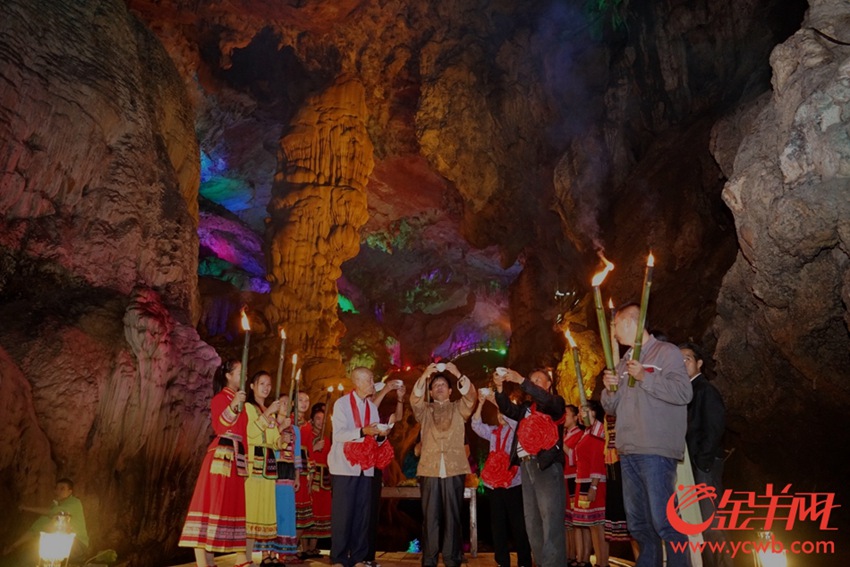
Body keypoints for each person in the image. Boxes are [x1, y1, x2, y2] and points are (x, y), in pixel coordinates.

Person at [601, 304, 693, 567]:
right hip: (628, 451)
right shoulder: (622, 362)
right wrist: (609, 389)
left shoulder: (666, 352)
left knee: (664, 521)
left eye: (616, 324)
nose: (614, 332)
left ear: (631, 322)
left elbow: (683, 393)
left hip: (655, 450)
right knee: (639, 524)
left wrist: (644, 376)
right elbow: (610, 406)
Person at [179, 359, 251, 567]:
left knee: (233, 505)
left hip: (236, 457)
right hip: (221, 455)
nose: (244, 376)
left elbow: (244, 434)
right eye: (240, 372)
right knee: (211, 505)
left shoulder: (243, 403)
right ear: (228, 375)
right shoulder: (220, 398)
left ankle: (237, 557)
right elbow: (220, 427)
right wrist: (234, 405)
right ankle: (203, 561)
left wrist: (245, 463)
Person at [494, 368, 567, 567]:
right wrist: (499, 388)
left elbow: (546, 400)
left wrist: (522, 380)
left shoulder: (556, 404)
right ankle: (542, 563)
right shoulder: (526, 408)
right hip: (526, 467)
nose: (533, 383)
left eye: (538, 380)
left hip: (546, 465)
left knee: (551, 521)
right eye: (531, 380)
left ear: (548, 385)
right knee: (532, 523)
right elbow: (508, 409)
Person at [410, 362, 476, 567]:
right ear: (431, 391)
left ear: (450, 390)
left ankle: (452, 558)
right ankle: (429, 559)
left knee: (453, 516)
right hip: (429, 468)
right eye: (435, 384)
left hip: (454, 467)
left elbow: (471, 398)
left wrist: (456, 372)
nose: (439, 386)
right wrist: (424, 376)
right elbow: (414, 400)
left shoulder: (459, 408)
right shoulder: (425, 411)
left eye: (443, 384)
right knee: (430, 517)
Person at [680, 342, 731, 567]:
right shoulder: (686, 391)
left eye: (687, 359)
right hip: (692, 466)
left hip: (703, 466)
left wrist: (703, 461)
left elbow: (715, 425)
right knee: (699, 522)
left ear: (699, 363)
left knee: (712, 522)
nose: (682, 364)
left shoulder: (705, 389)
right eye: (678, 360)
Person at [328, 367, 385, 567]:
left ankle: (359, 557)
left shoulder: (372, 407)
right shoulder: (342, 404)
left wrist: (380, 437)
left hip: (366, 467)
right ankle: (339, 558)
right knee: (343, 514)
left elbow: (373, 438)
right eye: (369, 379)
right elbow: (339, 435)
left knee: (362, 513)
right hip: (344, 466)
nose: (372, 382)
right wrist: (363, 430)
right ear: (358, 382)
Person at [471, 389, 532, 567]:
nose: (500, 416)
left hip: (513, 482)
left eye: (503, 412)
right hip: (494, 484)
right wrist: (481, 403)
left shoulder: (516, 430)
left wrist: (495, 400)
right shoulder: (493, 432)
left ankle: (524, 561)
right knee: (497, 524)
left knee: (518, 524)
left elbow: (513, 419)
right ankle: (502, 561)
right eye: (498, 413)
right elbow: (475, 425)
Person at [365, 379, 406, 567]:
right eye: (374, 393)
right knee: (362, 509)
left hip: (377, 464)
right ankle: (357, 549)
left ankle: (369, 553)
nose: (375, 396)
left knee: (373, 509)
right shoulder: (364, 409)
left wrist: (400, 399)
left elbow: (397, 417)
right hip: (361, 462)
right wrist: (386, 389)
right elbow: (371, 407)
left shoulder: (381, 414)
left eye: (377, 393)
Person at [245, 371, 284, 563]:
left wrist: (281, 438)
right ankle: (245, 556)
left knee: (265, 511)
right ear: (252, 386)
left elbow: (275, 439)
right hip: (254, 465)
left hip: (268, 466)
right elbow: (250, 432)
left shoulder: (268, 410)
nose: (266, 388)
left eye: (269, 384)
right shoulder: (248, 407)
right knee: (251, 511)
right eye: (262, 383)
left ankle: (264, 555)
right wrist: (268, 414)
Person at [3, 477, 89, 564]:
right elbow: (37, 527)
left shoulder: (74, 503)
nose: (58, 491)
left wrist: (26, 508)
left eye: (62, 489)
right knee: (33, 550)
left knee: (39, 552)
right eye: (57, 488)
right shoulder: (56, 506)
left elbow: (54, 512)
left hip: (78, 544)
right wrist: (14, 546)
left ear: (70, 492)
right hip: (63, 542)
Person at [573, 400, 608, 567]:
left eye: (583, 410)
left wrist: (594, 485)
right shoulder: (586, 432)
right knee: (589, 525)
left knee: (598, 525)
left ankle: (603, 562)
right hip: (583, 481)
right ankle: (591, 560)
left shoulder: (598, 431)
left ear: (594, 412)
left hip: (594, 482)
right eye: (579, 411)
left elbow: (597, 459)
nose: (580, 414)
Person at [300, 403, 331, 558]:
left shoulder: (326, 438)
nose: (320, 421)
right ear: (312, 420)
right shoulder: (308, 435)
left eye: (322, 418)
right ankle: (304, 548)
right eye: (317, 418)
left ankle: (313, 547)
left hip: (323, 479)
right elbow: (303, 449)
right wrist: (314, 445)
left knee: (321, 511)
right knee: (309, 511)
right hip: (311, 476)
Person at [274, 394, 302, 563]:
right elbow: (269, 446)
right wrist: (279, 429)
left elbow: (297, 453)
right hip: (275, 469)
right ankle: (273, 550)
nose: (285, 406)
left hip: (289, 472)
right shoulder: (271, 424)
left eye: (288, 404)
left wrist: (298, 476)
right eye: (282, 403)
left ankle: (287, 550)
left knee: (288, 511)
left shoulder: (295, 429)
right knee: (276, 511)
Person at [562, 404, 583, 567]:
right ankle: (568, 554)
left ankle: (579, 554)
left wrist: (561, 444)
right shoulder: (566, 434)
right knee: (566, 520)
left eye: (567, 414)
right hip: (563, 478)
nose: (564, 417)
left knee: (576, 519)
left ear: (576, 418)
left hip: (573, 477)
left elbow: (574, 456)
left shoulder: (579, 434)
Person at [295, 391, 314, 548]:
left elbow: (309, 451)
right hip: (290, 469)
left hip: (303, 471)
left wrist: (311, 474)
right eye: (300, 399)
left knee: (304, 515)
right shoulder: (289, 422)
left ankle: (292, 547)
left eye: (306, 400)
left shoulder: (308, 426)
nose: (304, 402)